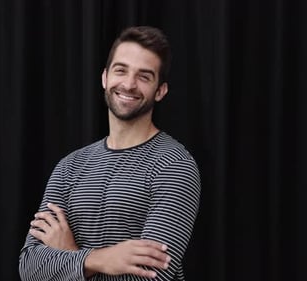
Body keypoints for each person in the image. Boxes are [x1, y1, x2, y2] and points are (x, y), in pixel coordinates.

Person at [19, 25, 201, 281]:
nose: (128, 84)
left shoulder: (174, 165)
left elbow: (153, 276)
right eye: (121, 70)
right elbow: (30, 268)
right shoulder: (70, 166)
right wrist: (100, 259)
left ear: (160, 91)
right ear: (105, 77)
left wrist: (70, 255)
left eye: (144, 76)